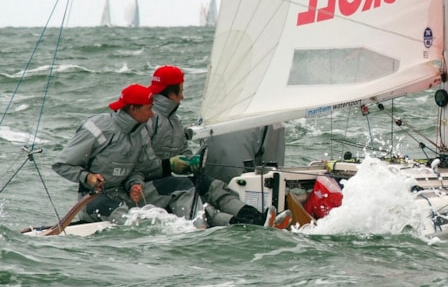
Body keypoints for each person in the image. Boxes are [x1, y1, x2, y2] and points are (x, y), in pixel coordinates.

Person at [52, 84, 201, 224]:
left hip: (126, 195)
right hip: (95, 200)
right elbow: (61, 165)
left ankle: (195, 228)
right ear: (133, 109)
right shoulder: (97, 128)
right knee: (129, 219)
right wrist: (87, 177)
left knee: (182, 185)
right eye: (149, 109)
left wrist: (135, 185)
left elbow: (140, 170)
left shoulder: (141, 132)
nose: (152, 114)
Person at [144, 65, 266, 226]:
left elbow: (184, 151)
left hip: (169, 181)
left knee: (213, 185)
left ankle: (253, 215)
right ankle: (236, 222)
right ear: (172, 94)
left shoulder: (174, 121)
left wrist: (191, 162)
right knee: (190, 193)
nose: (183, 96)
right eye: (181, 91)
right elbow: (139, 163)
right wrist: (169, 165)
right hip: (147, 185)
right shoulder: (147, 119)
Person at [203, 123, 286, 184]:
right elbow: (273, 171)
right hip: (242, 186)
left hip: (208, 185)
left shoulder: (211, 116)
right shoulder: (274, 122)